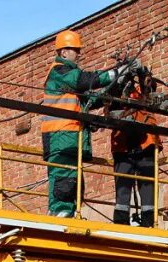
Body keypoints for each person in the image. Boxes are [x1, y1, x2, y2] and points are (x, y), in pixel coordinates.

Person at [41, 30, 121, 218]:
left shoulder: (67, 80)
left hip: (68, 138)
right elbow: (84, 81)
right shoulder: (60, 71)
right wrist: (115, 74)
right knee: (64, 178)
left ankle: (67, 213)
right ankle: (60, 213)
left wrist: (109, 95)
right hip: (61, 138)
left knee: (72, 180)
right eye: (75, 49)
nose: (79, 53)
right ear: (64, 52)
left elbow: (88, 99)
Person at [111, 76, 161, 227]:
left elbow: (151, 86)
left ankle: (149, 222)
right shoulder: (116, 89)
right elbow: (110, 105)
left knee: (148, 187)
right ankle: (121, 222)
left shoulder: (144, 87)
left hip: (145, 143)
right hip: (123, 144)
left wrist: (143, 77)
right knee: (122, 187)